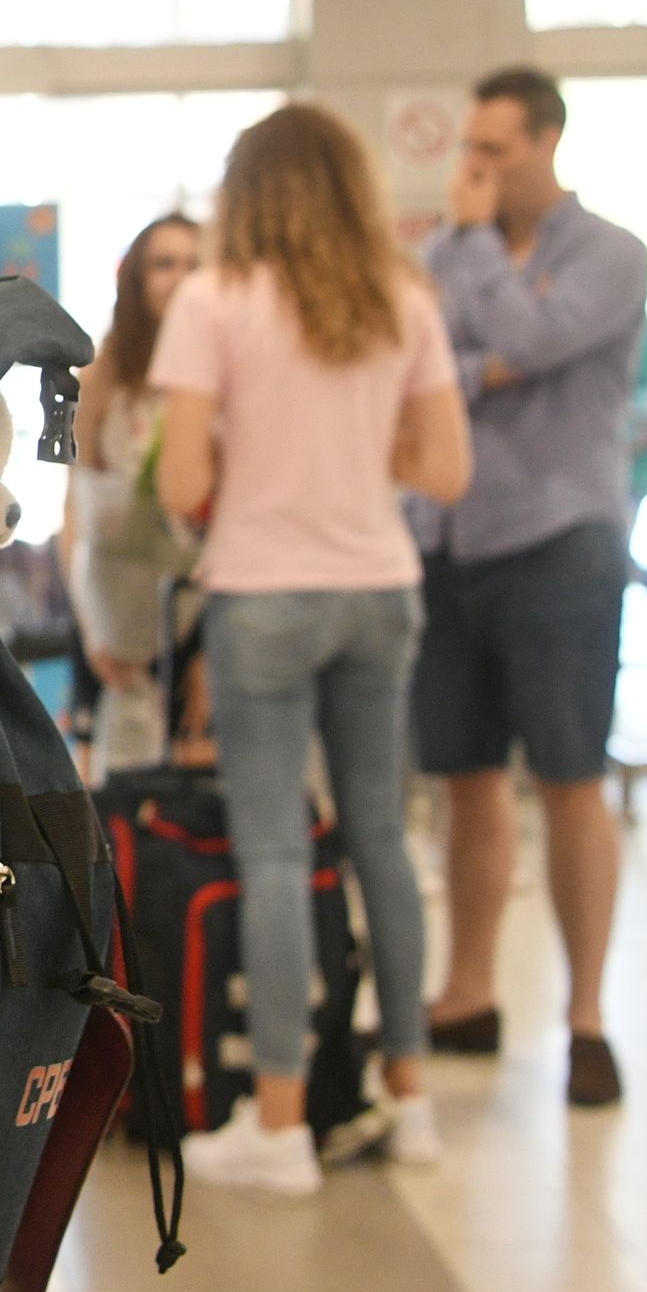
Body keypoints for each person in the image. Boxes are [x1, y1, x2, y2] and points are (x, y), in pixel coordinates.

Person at [153, 102, 470, 1193]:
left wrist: (258, 469)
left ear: (245, 192)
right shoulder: (401, 299)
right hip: (380, 588)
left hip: (264, 593)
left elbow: (181, 481)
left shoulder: (212, 300)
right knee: (383, 838)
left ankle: (281, 1124)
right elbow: (448, 470)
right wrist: (358, 456)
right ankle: (412, 1100)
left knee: (277, 852)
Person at [414, 66, 647, 1108]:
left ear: (547, 140)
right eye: (468, 147)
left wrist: (480, 297)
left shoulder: (609, 253)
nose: (474, 167)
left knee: (568, 777)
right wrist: (485, 362)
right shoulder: (439, 256)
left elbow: (522, 340)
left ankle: (586, 1019)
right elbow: (424, 377)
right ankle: (467, 995)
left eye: (494, 149)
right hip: (449, 542)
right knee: (464, 777)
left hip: (561, 543)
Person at [60, 214, 203, 779]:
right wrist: (92, 630)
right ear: (137, 279)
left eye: (194, 264)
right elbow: (76, 511)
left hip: (194, 614)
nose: (180, 278)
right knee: (110, 787)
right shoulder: (102, 376)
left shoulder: (219, 379)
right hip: (109, 616)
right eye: (165, 264)